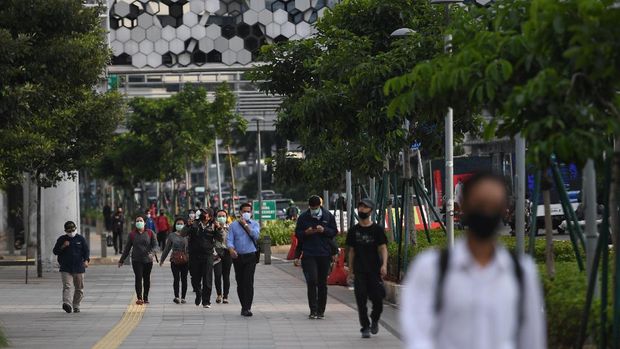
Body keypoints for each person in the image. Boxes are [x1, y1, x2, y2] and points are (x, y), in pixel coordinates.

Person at [400, 172, 546, 349]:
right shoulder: (431, 268)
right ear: (464, 206)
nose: (486, 211)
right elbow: (418, 334)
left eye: (494, 205)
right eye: (480, 204)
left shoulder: (521, 271)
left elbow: (532, 338)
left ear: (504, 211)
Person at [346, 198, 388, 338]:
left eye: (365, 207)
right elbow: (351, 251)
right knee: (361, 299)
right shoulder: (353, 231)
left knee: (377, 299)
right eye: (360, 207)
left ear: (371, 210)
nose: (362, 209)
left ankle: (374, 319)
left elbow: (383, 248)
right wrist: (350, 271)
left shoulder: (377, 230)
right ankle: (365, 326)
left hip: (374, 271)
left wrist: (384, 265)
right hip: (359, 271)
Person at [295, 195, 338, 319]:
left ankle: (321, 310)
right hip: (309, 253)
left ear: (320, 205)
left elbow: (334, 232)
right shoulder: (303, 217)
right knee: (312, 280)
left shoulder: (328, 216)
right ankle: (313, 310)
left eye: (316, 207)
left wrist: (324, 230)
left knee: (322, 283)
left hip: (324, 253)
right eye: (312, 207)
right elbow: (298, 234)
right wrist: (305, 233)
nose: (314, 209)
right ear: (309, 206)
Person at [184, 208, 222, 308]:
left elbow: (220, 238)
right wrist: (188, 225)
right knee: (195, 278)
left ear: (209, 215)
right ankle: (198, 293)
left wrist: (219, 228)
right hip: (194, 255)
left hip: (208, 255)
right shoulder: (194, 224)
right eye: (202, 213)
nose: (203, 215)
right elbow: (183, 234)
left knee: (207, 278)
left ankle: (206, 301)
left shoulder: (213, 225)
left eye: (205, 213)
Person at [227, 202, 260, 317]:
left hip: (251, 256)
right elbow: (229, 239)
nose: (246, 213)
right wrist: (231, 250)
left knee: (248, 282)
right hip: (238, 257)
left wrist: (246, 225)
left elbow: (256, 236)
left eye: (248, 211)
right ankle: (243, 306)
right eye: (244, 211)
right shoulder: (233, 225)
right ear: (240, 212)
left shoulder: (255, 224)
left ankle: (247, 308)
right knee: (240, 282)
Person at [118, 216, 158, 305]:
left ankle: (146, 297)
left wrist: (152, 253)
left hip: (148, 260)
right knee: (138, 278)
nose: (139, 222)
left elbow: (156, 246)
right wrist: (121, 260)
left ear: (144, 223)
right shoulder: (132, 234)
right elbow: (127, 248)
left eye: (141, 221)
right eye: (137, 221)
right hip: (136, 260)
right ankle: (139, 298)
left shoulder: (150, 233)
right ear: (135, 223)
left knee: (146, 278)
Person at [53, 221, 89, 313]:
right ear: (65, 231)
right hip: (65, 267)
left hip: (79, 267)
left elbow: (86, 252)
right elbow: (55, 251)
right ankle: (67, 304)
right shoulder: (62, 239)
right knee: (67, 286)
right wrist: (63, 246)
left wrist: (86, 261)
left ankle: (76, 305)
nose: (71, 232)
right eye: (69, 230)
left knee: (79, 288)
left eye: (73, 230)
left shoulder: (81, 239)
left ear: (75, 228)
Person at [160, 217, 189, 304]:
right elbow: (167, 248)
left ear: (184, 225)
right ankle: (176, 296)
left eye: (181, 224)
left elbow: (191, 248)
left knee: (184, 279)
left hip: (185, 260)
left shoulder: (187, 235)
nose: (179, 225)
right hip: (174, 260)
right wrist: (162, 259)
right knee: (176, 278)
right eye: (178, 224)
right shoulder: (172, 235)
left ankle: (183, 297)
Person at [213, 209, 232, 304]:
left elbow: (226, 238)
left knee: (226, 275)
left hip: (227, 253)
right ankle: (219, 294)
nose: (221, 218)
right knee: (217, 274)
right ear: (216, 217)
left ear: (226, 217)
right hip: (217, 253)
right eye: (219, 216)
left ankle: (225, 296)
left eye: (223, 216)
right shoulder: (213, 228)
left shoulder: (230, 228)